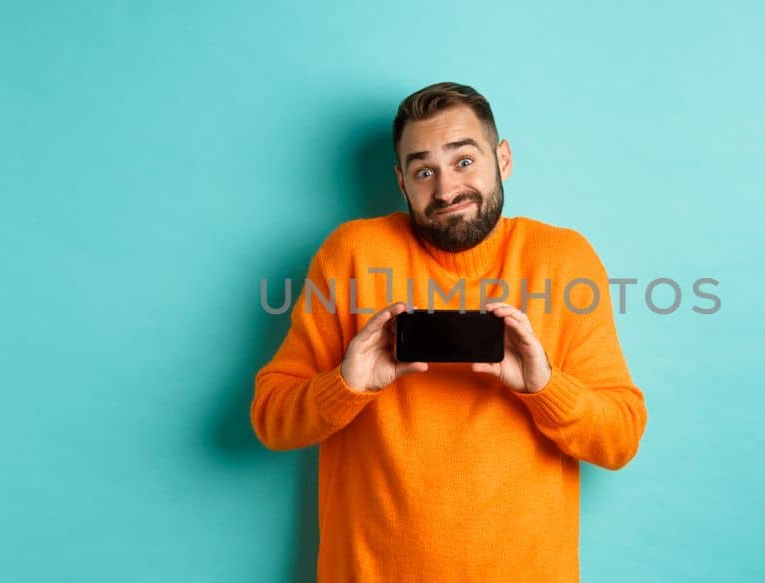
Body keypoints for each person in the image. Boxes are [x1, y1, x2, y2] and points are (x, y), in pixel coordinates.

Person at [252, 81, 647, 582]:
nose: (446, 190)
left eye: (464, 161)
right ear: (401, 181)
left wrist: (545, 388)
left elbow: (619, 439)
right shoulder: (352, 254)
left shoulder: (563, 260)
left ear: (502, 159)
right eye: (424, 171)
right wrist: (345, 386)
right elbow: (270, 418)